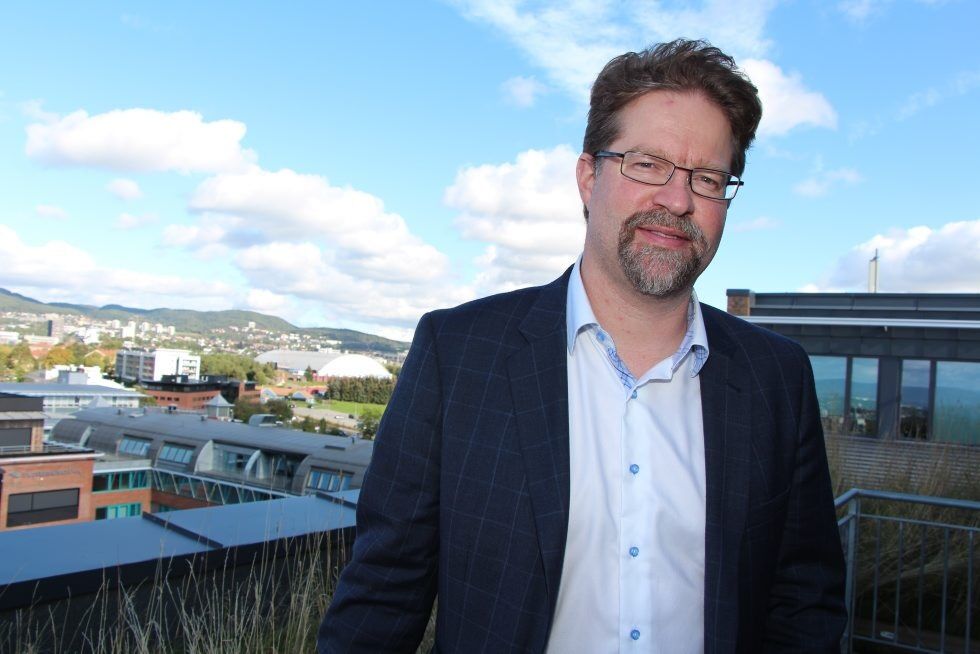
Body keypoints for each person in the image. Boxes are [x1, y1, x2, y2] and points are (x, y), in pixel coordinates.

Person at [318, 38, 846, 653]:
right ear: (588, 178)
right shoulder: (459, 355)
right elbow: (382, 595)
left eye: (707, 178)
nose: (677, 200)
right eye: (647, 164)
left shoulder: (776, 378)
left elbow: (804, 601)